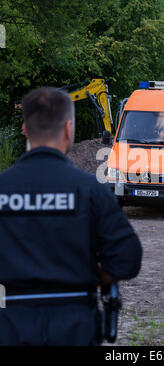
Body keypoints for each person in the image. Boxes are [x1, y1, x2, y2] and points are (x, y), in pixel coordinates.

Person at [0, 87, 142, 346]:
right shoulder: (91, 190)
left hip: (8, 322)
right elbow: (127, 259)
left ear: (25, 130)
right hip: (73, 322)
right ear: (68, 129)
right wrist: (93, 274)